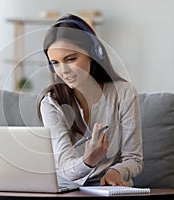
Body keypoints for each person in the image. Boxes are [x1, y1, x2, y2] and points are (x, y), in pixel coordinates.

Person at [37, 14, 143, 187]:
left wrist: (117, 171)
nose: (63, 71)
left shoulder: (124, 93)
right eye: (55, 63)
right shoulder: (51, 103)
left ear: (93, 53)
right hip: (68, 190)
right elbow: (65, 168)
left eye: (71, 59)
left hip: (110, 188)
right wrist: (88, 160)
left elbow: (134, 159)